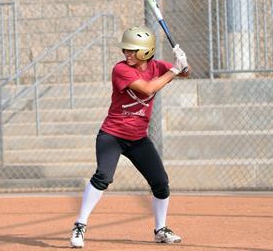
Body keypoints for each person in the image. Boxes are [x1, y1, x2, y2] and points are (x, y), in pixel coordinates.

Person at [70, 25, 189, 248]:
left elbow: (185, 73)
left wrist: (182, 63)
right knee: (103, 177)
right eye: (125, 49)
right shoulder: (121, 70)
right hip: (112, 135)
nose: (127, 54)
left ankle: (160, 229)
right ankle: (80, 225)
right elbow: (147, 89)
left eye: (132, 50)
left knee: (161, 182)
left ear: (146, 51)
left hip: (138, 139)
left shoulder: (157, 66)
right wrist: (174, 71)